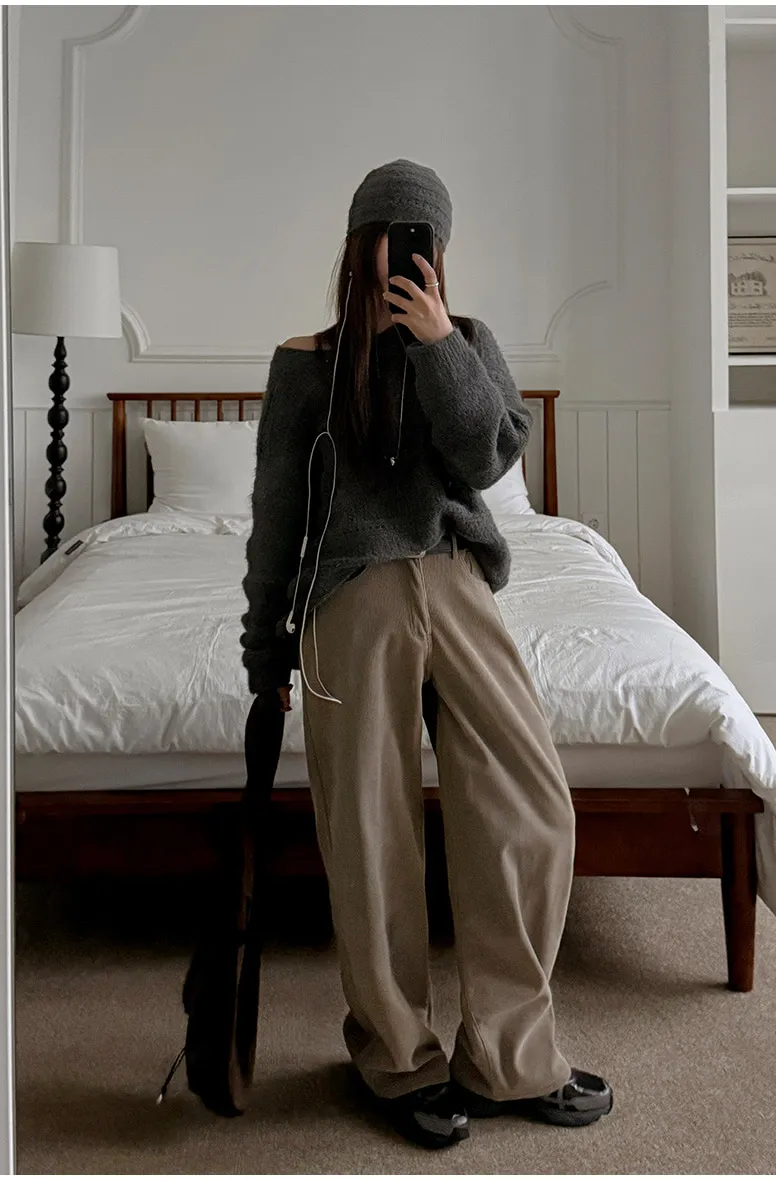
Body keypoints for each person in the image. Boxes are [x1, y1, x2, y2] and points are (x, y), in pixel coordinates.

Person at [240, 159, 612, 1149]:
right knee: (370, 826)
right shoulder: (305, 362)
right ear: (357, 243)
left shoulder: (469, 343)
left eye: (421, 237)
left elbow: (489, 457)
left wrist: (440, 343)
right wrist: (264, 644)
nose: (402, 252)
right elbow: (277, 512)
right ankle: (398, 1055)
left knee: (532, 801)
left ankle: (508, 1054)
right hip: (349, 591)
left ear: (440, 252)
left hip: (454, 575)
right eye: (387, 234)